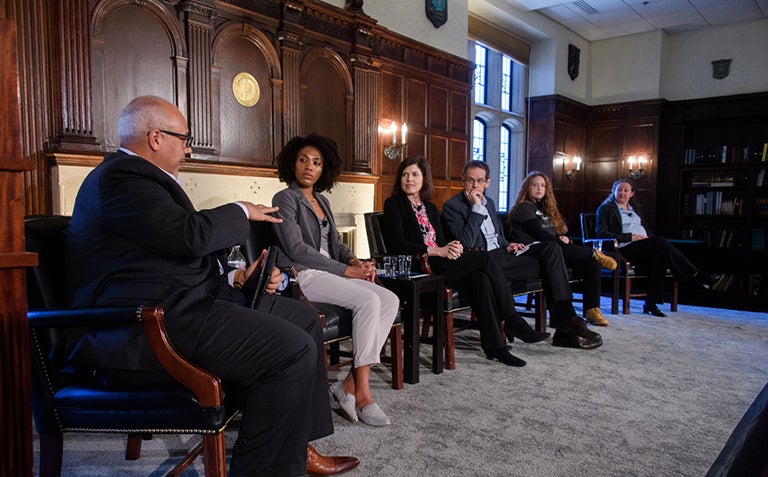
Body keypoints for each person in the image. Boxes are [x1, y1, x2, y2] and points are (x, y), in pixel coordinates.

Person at [63, 96, 358, 477]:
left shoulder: (139, 178)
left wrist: (238, 277)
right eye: (183, 138)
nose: (188, 147)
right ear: (155, 137)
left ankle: (297, 443)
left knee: (303, 319)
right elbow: (189, 236)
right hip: (150, 325)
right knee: (292, 349)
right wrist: (240, 210)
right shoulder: (122, 177)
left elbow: (171, 250)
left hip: (185, 304)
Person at [384, 155, 578, 369]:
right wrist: (438, 250)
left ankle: (495, 347)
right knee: (485, 258)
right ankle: (512, 318)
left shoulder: (429, 207)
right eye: (405, 174)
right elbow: (397, 244)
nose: (409, 179)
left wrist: (452, 246)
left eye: (414, 175)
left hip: (445, 261)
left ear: (424, 179)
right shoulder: (395, 204)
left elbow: (443, 239)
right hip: (422, 267)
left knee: (481, 279)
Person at [272, 133, 399, 427]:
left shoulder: (322, 200)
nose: (309, 166)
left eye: (316, 162)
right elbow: (295, 249)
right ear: (293, 164)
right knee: (368, 299)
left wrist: (354, 261)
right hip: (304, 274)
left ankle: (348, 385)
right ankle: (364, 394)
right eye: (303, 160)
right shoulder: (285, 198)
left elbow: (337, 245)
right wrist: (345, 271)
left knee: (389, 299)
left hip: (329, 271)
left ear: (322, 169)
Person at [440, 160, 602, 349]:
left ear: (487, 182)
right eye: (470, 180)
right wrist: (476, 208)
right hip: (483, 261)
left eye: (480, 180)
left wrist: (509, 245)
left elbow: (496, 236)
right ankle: (565, 326)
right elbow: (466, 241)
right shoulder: (453, 206)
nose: (475, 185)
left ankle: (566, 317)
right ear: (463, 181)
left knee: (550, 251)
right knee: (549, 266)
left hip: (503, 255)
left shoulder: (490, 203)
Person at [508, 170, 618, 326]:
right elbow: (539, 233)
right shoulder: (524, 207)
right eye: (534, 185)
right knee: (561, 249)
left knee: (591, 264)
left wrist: (563, 238)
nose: (539, 188)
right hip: (533, 250)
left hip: (551, 247)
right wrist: (558, 240)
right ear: (527, 188)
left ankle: (592, 310)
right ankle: (594, 253)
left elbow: (553, 234)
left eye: (542, 185)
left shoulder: (545, 210)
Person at [596, 179, 720, 317]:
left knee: (659, 256)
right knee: (659, 243)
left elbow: (646, 231)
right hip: (622, 249)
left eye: (626, 190)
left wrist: (648, 240)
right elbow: (601, 233)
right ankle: (696, 276)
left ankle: (651, 303)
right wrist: (630, 237)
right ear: (613, 191)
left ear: (632, 193)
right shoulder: (606, 208)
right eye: (619, 190)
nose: (622, 193)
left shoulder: (635, 208)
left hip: (641, 247)